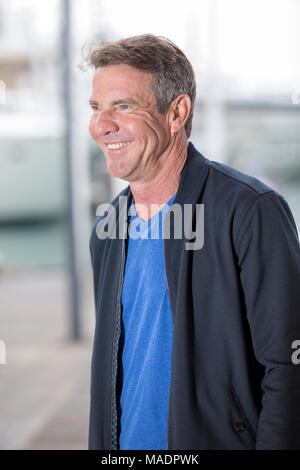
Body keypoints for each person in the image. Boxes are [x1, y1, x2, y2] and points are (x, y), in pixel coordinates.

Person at [86, 34, 300, 450]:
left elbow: (288, 367)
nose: (101, 125)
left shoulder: (249, 211)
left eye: (123, 106)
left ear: (176, 112)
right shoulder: (107, 229)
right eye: (96, 108)